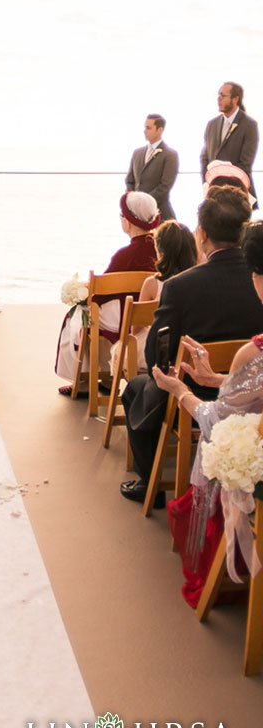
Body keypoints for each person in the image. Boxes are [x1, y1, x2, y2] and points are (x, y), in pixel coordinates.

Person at [118, 190, 263, 504]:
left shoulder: (179, 286)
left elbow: (156, 357)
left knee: (136, 388)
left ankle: (150, 483)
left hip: (200, 392)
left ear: (202, 235)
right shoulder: (258, 279)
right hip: (255, 394)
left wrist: (173, 373)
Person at [149, 222, 263, 609]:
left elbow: (217, 420)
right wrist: (216, 378)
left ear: (257, 277)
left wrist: (181, 390)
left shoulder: (254, 353)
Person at [56, 193, 163, 394]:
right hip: (152, 319)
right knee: (97, 312)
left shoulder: (125, 255)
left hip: (125, 321)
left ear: (129, 222)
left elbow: (100, 293)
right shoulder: (161, 250)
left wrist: (82, 296)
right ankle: (106, 380)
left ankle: (83, 383)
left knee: (80, 316)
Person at [117, 221, 198, 373]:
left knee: (125, 346)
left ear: (159, 250)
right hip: (189, 347)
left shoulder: (152, 284)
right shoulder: (198, 281)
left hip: (157, 349)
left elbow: (135, 330)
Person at [127, 114, 178, 221]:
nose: (145, 131)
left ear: (160, 130)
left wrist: (144, 203)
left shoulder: (170, 155)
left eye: (148, 128)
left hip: (160, 214)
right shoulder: (137, 153)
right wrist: (132, 203)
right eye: (145, 127)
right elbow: (130, 180)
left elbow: (165, 186)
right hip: (137, 215)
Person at [202, 82, 257, 177]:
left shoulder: (249, 125)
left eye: (223, 96)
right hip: (213, 187)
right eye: (219, 95)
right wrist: (207, 180)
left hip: (237, 188)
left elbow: (245, 164)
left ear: (235, 99)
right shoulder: (212, 125)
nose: (219, 99)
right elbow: (205, 157)